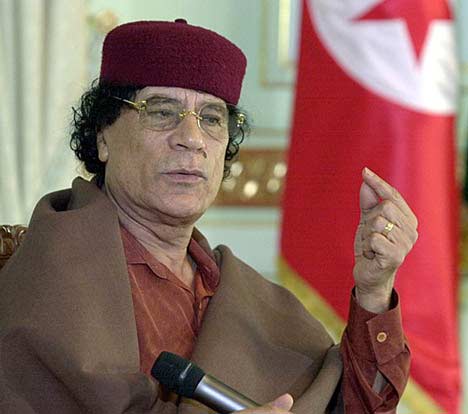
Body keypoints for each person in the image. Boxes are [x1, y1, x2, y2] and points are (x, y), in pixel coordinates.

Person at [0, 20, 417, 414]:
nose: (192, 139)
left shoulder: (253, 301)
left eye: (213, 119)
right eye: (161, 112)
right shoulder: (53, 272)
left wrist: (374, 290)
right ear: (102, 136)